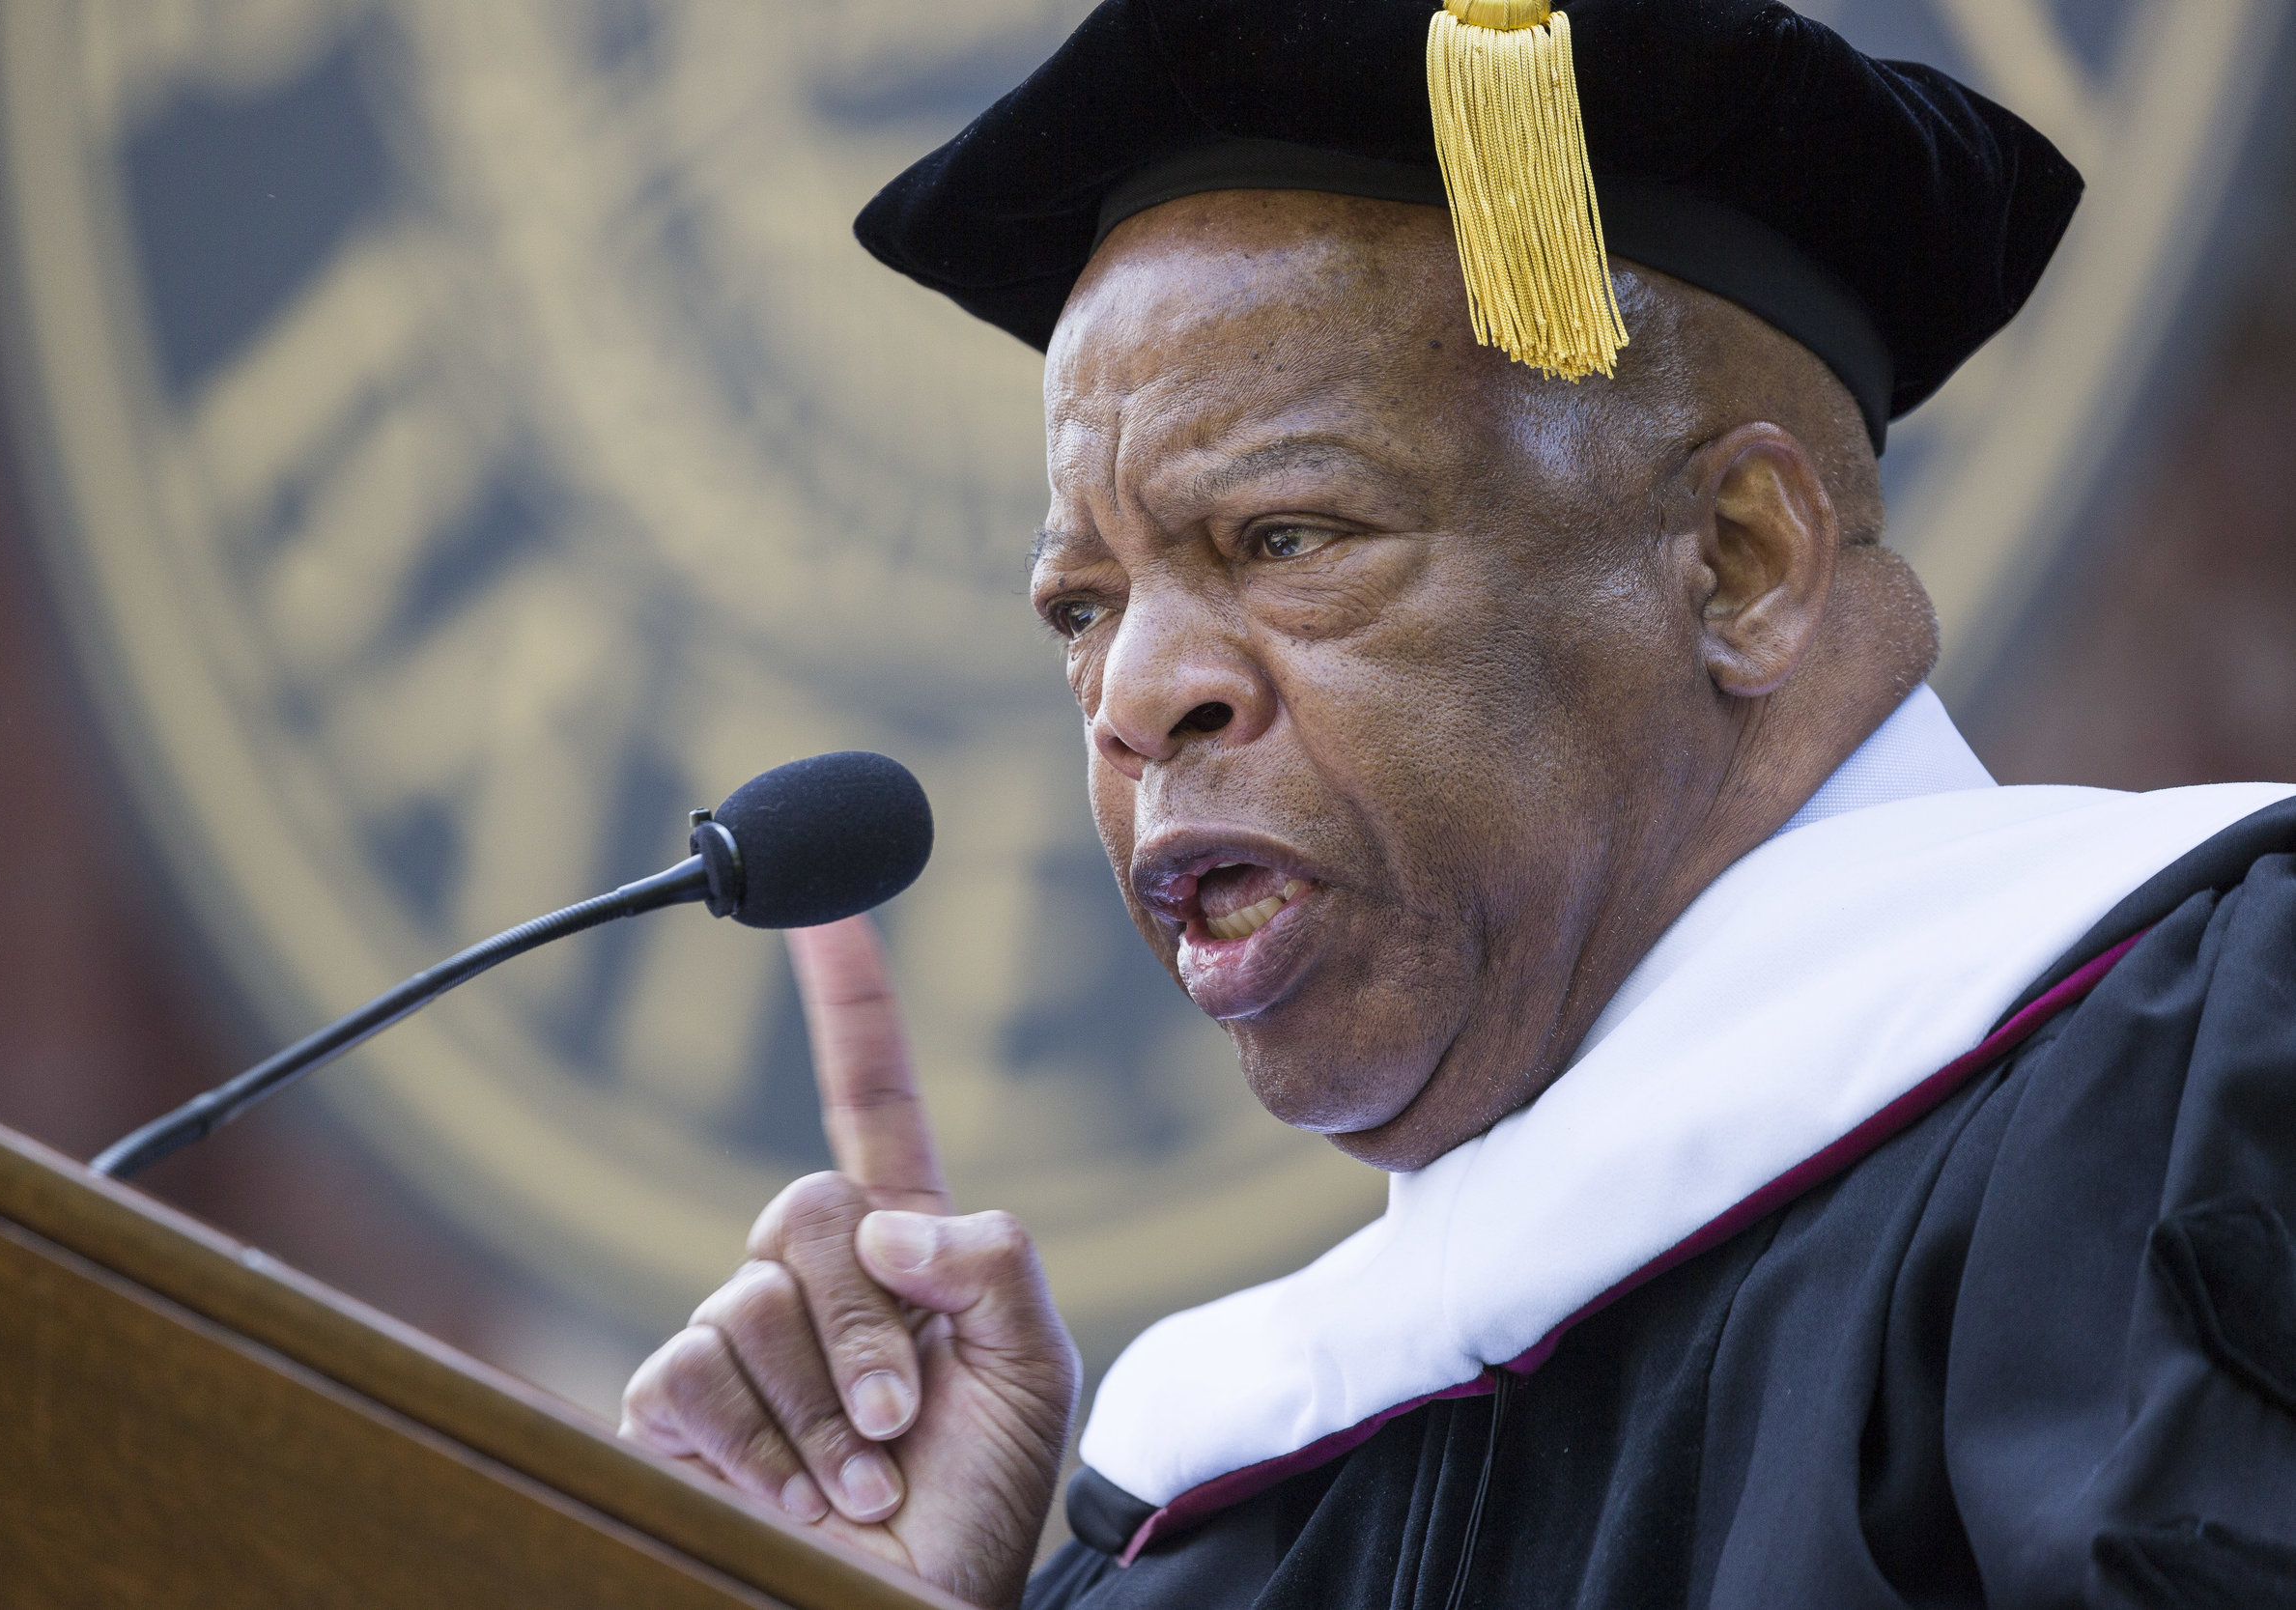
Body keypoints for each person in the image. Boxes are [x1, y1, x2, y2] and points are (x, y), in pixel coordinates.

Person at [619, 3, 2296, 1606]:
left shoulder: (2184, 1079)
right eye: (1084, 607)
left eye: (1288, 537)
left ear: (1742, 563)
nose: (1135, 697)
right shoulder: (1212, 1504)